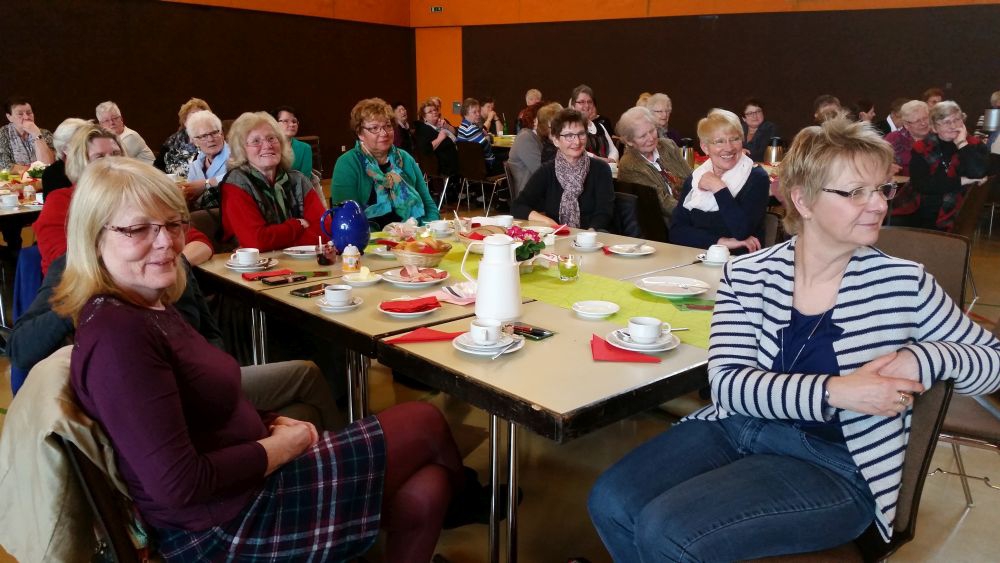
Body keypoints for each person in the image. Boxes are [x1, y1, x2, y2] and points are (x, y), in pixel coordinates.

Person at [589, 116, 1000, 561]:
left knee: (667, 532)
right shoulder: (749, 274)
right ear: (803, 200)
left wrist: (925, 357)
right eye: (855, 192)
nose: (879, 205)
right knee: (611, 501)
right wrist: (837, 391)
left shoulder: (902, 282)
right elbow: (728, 385)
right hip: (739, 425)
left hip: (838, 464)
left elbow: (992, 360)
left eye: (882, 189)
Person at [54, 157, 470, 562]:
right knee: (424, 421)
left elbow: (205, 403)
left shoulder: (146, 304)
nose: (165, 242)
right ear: (94, 239)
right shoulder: (118, 336)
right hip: (222, 526)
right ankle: (470, 498)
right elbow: (178, 485)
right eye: (138, 229)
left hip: (240, 488)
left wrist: (269, 421)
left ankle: (455, 493)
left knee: (430, 486)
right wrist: (280, 446)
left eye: (171, 224)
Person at [220, 112, 327, 251]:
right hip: (252, 264)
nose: (267, 145)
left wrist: (282, 244)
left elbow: (325, 230)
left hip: (299, 261)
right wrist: (298, 225)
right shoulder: (236, 183)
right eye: (256, 141)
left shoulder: (298, 180)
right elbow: (257, 241)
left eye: (271, 138)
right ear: (242, 150)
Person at [670, 109, 770, 253]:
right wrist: (721, 242)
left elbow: (742, 231)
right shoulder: (697, 178)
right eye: (719, 141)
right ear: (705, 147)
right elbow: (676, 232)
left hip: (738, 261)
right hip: (696, 258)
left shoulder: (757, 178)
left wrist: (718, 187)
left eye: (735, 139)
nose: (728, 148)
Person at [331, 98, 439, 230]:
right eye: (374, 128)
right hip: (368, 237)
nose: (384, 133)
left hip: (413, 234)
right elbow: (346, 217)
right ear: (360, 133)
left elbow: (428, 205)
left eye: (388, 126)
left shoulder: (405, 158)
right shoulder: (348, 163)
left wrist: (428, 231)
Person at [34, 124, 125, 275]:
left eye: (116, 154)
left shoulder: (134, 197)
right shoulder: (60, 202)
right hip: (79, 283)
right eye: (99, 157)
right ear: (80, 162)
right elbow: (65, 264)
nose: (112, 162)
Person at [511, 108, 614, 230]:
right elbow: (518, 206)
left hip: (593, 237)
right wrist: (548, 221)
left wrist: (588, 235)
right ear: (556, 140)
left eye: (581, 134)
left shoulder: (601, 169)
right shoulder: (547, 171)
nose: (577, 142)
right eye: (569, 136)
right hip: (557, 236)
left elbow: (604, 213)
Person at [900, 101, 989, 231]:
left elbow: (978, 173)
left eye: (957, 120)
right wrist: (962, 180)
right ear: (934, 128)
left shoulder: (975, 145)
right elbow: (921, 185)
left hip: (962, 208)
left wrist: (962, 144)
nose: (953, 126)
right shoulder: (922, 148)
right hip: (924, 205)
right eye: (946, 122)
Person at [616, 106, 692, 226]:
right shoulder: (629, 165)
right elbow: (662, 203)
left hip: (691, 208)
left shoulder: (668, 145)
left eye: (652, 131)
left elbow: (691, 178)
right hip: (666, 223)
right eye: (643, 136)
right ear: (629, 141)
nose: (651, 138)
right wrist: (694, 213)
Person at [183, 110, 229, 209]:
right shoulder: (195, 166)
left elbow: (239, 178)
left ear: (222, 134)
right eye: (204, 136)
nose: (210, 139)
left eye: (214, 133)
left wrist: (207, 184)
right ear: (195, 141)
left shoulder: (237, 155)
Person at [155, 97, 210, 175]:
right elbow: (157, 168)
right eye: (193, 116)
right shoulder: (172, 140)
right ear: (185, 121)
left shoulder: (211, 142)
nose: (197, 120)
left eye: (201, 117)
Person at [0, 96, 55, 172]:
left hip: (43, 177)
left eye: (29, 113)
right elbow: (5, 165)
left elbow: (49, 164)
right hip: (15, 179)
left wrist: (36, 134)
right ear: (9, 117)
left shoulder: (45, 133)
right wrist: (33, 172)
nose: (26, 117)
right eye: (20, 114)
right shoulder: (3, 134)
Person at [40, 117, 89, 197]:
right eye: (82, 142)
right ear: (65, 149)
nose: (88, 145)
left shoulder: (93, 165)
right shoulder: (53, 174)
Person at [570, 85, 619, 162]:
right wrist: (602, 161)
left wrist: (611, 160)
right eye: (582, 102)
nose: (586, 106)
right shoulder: (570, 128)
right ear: (573, 106)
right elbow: (578, 151)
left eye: (589, 102)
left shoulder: (600, 126)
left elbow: (613, 149)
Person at [414, 98, 459, 176]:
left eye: (435, 110)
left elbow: (457, 133)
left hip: (456, 161)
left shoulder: (441, 124)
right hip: (445, 168)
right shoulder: (423, 129)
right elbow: (425, 150)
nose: (434, 112)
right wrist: (439, 138)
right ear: (424, 117)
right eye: (430, 112)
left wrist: (447, 126)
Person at [885, 100, 930, 176]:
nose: (923, 123)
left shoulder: (939, 136)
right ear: (906, 125)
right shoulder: (893, 139)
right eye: (917, 121)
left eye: (925, 118)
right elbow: (879, 163)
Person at [507, 102, 544, 195]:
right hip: (530, 194)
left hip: (541, 190)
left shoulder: (537, 137)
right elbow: (541, 171)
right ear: (535, 121)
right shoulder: (526, 137)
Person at [457, 97, 501, 175]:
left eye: (478, 111)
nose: (478, 114)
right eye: (474, 112)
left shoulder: (463, 126)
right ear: (465, 114)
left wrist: (484, 136)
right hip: (483, 167)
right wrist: (488, 138)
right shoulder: (471, 128)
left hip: (469, 166)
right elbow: (486, 145)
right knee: (509, 158)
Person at [272, 105, 313, 176]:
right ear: (275, 123)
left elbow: (305, 178)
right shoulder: (268, 146)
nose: (291, 124)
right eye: (285, 121)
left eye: (294, 121)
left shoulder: (305, 148)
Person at [740, 98, 780, 162]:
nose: (755, 116)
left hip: (762, 166)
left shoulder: (770, 128)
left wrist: (739, 153)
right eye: (750, 113)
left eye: (758, 111)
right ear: (744, 118)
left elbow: (761, 154)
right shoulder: (739, 128)